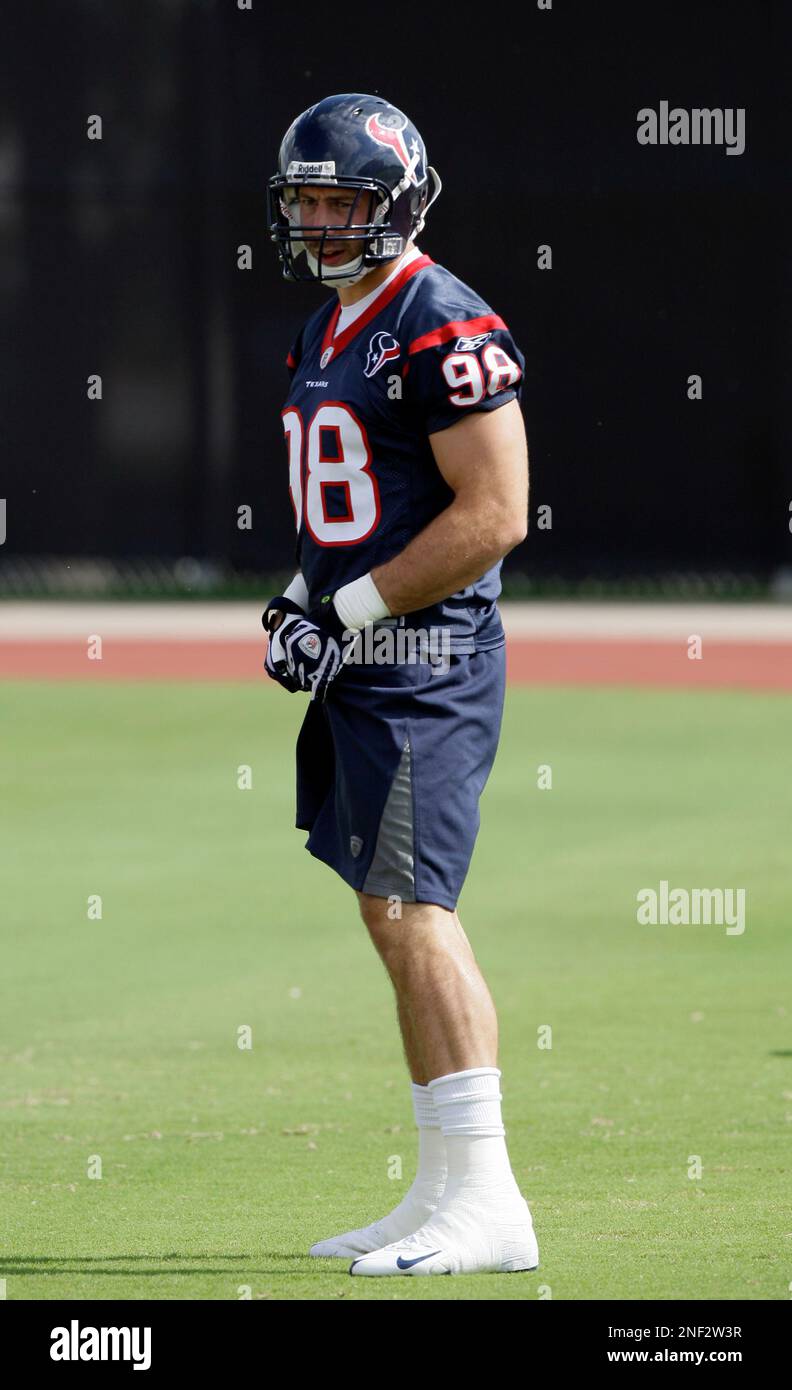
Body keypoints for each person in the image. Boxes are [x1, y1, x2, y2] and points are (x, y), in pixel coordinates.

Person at [263, 93, 538, 1277]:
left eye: (345, 202)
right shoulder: (334, 321)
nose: (323, 223)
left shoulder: (440, 316)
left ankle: (490, 1197)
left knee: (418, 911)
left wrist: (349, 612)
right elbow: (361, 506)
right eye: (308, 201)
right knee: (390, 912)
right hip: (370, 656)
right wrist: (300, 595)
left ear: (401, 202)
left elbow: (493, 514)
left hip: (424, 660)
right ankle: (438, 1188)